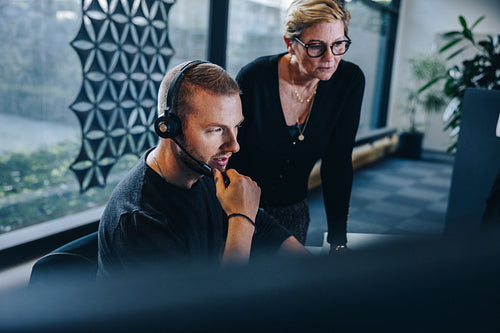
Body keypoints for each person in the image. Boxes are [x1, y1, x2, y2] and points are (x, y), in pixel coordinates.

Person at [98, 61, 309, 278]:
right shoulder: (140, 220)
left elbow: (265, 230)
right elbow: (215, 309)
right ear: (169, 128)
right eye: (216, 129)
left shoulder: (205, 171)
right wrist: (241, 219)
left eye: (236, 126)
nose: (234, 145)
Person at [228, 0, 365, 253]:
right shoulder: (254, 78)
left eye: (338, 45)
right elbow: (229, 154)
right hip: (239, 208)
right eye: (316, 46)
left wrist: (338, 240)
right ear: (290, 43)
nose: (330, 58)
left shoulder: (349, 81)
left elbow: (337, 162)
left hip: (293, 211)